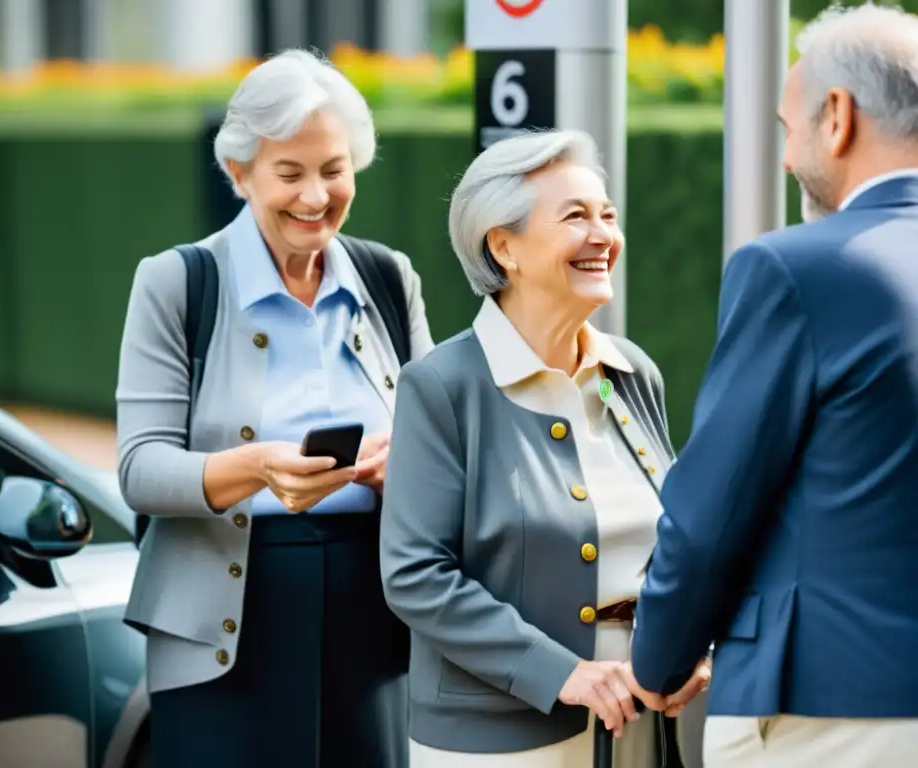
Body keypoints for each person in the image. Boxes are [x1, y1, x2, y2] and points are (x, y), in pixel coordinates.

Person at [115, 48, 434, 768]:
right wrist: (260, 467)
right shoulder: (176, 283)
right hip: (223, 628)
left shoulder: (388, 278)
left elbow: (447, 443)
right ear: (239, 173)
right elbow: (141, 469)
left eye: (334, 168)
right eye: (289, 173)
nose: (316, 196)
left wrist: (402, 466)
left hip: (374, 617)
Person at [629, 5, 918, 767]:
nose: (786, 160)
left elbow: (710, 513)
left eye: (787, 129)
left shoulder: (797, 269)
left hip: (829, 712)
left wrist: (658, 659)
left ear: (838, 117)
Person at [379, 128, 699, 768]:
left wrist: (692, 649)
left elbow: (679, 538)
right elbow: (415, 575)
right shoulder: (442, 387)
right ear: (504, 246)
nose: (603, 234)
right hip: (500, 743)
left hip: (642, 728)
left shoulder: (632, 372)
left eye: (607, 214)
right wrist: (561, 673)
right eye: (576, 216)